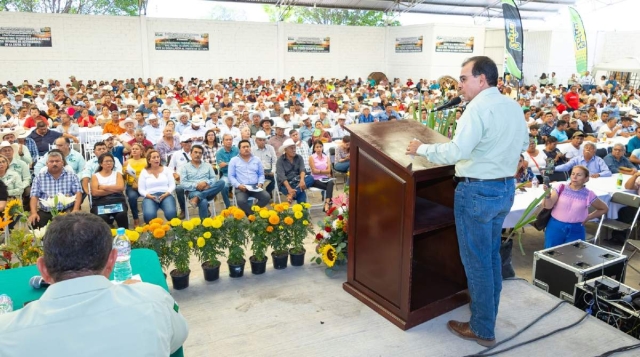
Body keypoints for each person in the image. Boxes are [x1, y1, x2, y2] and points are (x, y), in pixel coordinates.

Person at [406, 56, 528, 347]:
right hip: (503, 190)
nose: (459, 85)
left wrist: (420, 147)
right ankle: (488, 318)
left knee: (477, 264)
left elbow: (455, 152)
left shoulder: (477, 109)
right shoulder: (512, 106)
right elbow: (523, 146)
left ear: (481, 79)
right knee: (490, 259)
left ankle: (483, 329)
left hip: (477, 192)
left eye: (463, 79)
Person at [0, 211, 189, 356]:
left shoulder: (6, 332)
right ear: (112, 260)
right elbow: (177, 338)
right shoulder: (153, 300)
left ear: (43, 270)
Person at [541, 165, 608, 248]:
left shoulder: (588, 194)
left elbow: (604, 208)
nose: (575, 177)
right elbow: (548, 206)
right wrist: (547, 194)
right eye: (573, 174)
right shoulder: (560, 187)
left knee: (573, 255)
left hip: (576, 229)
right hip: (555, 226)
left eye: (579, 175)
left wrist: (588, 217)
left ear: (586, 179)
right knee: (551, 253)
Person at [29, 151, 83, 228]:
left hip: (67, 210)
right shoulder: (39, 177)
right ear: (47, 164)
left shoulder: (71, 175)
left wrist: (76, 209)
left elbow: (78, 193)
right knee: (34, 221)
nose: (54, 163)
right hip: (47, 211)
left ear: (62, 163)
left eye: (57, 161)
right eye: (51, 161)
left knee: (77, 224)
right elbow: (34, 196)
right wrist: (34, 213)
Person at [179, 145, 227, 219]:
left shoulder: (207, 165)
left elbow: (213, 179)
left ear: (202, 155)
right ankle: (204, 225)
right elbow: (183, 183)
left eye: (200, 153)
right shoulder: (185, 167)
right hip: (193, 191)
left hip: (208, 189)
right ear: (191, 154)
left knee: (222, 182)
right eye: (195, 152)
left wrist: (206, 183)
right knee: (203, 201)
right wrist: (196, 185)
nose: (197, 154)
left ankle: (198, 197)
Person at [229, 139, 270, 216]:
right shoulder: (234, 160)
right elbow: (231, 177)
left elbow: (261, 174)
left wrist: (260, 183)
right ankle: (252, 216)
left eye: (248, 147)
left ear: (250, 148)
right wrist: (238, 185)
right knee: (241, 201)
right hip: (241, 187)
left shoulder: (256, 160)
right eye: (243, 147)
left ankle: (252, 213)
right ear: (239, 149)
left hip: (255, 186)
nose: (246, 149)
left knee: (266, 197)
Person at [138, 150, 177, 223]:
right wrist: (148, 195)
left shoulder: (166, 169)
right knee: (149, 215)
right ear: (149, 160)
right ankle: (153, 233)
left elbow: (172, 185)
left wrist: (167, 193)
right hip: (150, 196)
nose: (156, 159)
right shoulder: (144, 172)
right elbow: (141, 189)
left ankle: (176, 232)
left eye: (158, 157)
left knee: (171, 213)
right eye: (154, 157)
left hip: (166, 195)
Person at [90, 153, 128, 228]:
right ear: (101, 163)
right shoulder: (95, 176)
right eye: (106, 161)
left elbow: (121, 188)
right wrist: (114, 189)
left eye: (111, 161)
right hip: (100, 202)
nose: (109, 163)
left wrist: (103, 187)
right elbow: (95, 193)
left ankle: (125, 235)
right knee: (102, 217)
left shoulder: (117, 174)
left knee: (121, 214)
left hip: (117, 200)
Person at [276, 138, 314, 204]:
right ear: (285, 150)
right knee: (302, 194)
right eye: (291, 148)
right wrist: (289, 189)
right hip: (286, 184)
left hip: (298, 182)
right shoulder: (280, 161)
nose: (294, 150)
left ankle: (292, 195)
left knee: (310, 178)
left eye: (294, 148)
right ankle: (302, 213)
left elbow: (302, 170)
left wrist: (302, 180)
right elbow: (282, 177)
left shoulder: (299, 157)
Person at [123, 143, 146, 227]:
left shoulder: (146, 161)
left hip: (144, 185)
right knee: (132, 197)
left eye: (136, 149)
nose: (134, 150)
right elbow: (124, 179)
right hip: (132, 185)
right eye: (133, 149)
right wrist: (125, 174)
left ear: (141, 151)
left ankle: (148, 216)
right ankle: (135, 218)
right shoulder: (127, 162)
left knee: (149, 196)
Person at [308, 140, 335, 212]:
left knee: (331, 182)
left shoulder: (326, 157)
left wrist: (319, 171)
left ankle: (326, 204)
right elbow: (314, 171)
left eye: (320, 147)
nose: (319, 148)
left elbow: (329, 171)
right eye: (317, 147)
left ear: (322, 148)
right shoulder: (311, 157)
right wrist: (323, 172)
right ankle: (328, 203)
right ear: (314, 149)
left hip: (325, 179)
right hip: (314, 179)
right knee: (330, 185)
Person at [252, 130, 277, 197]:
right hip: (257, 172)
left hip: (269, 171)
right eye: (260, 140)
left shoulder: (270, 148)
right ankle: (261, 194)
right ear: (256, 140)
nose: (262, 142)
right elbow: (250, 164)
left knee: (278, 178)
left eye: (264, 140)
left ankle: (268, 191)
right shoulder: (252, 150)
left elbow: (274, 161)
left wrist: (273, 171)